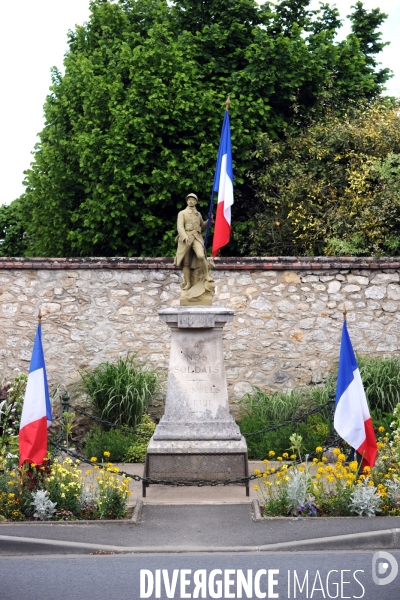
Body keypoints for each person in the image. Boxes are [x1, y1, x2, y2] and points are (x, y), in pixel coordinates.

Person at [174, 193, 213, 290]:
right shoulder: (182, 213)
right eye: (189, 199)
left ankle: (207, 275)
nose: (191, 201)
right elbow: (180, 226)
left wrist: (209, 221)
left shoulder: (198, 214)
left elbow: (202, 226)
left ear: (196, 202)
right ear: (187, 201)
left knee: (201, 255)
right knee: (186, 262)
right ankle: (188, 283)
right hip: (186, 238)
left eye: (193, 200)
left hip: (196, 237)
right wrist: (184, 236)